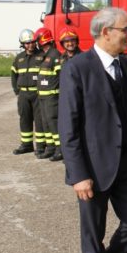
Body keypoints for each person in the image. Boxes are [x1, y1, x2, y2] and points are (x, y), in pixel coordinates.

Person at [59, 7, 127, 253]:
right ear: (105, 32)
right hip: (93, 166)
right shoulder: (76, 68)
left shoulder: (123, 65)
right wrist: (78, 175)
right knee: (92, 235)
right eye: (125, 30)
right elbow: (68, 127)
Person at [10, 28, 45, 155]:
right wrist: (17, 91)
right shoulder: (19, 58)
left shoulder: (42, 56)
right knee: (24, 119)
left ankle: (41, 146)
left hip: (37, 94)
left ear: (35, 42)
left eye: (32, 42)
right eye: (27, 43)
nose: (30, 45)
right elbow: (14, 75)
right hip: (23, 94)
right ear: (23, 44)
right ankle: (26, 145)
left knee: (40, 119)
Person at [51, 27, 82, 162]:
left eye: (72, 40)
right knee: (68, 129)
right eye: (66, 41)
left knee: (81, 128)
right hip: (65, 99)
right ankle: (70, 155)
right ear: (62, 43)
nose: (70, 43)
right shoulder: (60, 60)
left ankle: (82, 155)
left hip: (80, 99)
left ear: (77, 42)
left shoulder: (83, 58)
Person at [35, 27, 62, 160]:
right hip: (43, 96)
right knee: (45, 122)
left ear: (43, 40)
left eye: (38, 40)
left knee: (53, 122)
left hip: (52, 96)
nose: (37, 43)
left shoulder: (55, 55)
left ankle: (60, 149)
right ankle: (50, 148)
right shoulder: (46, 55)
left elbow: (60, 76)